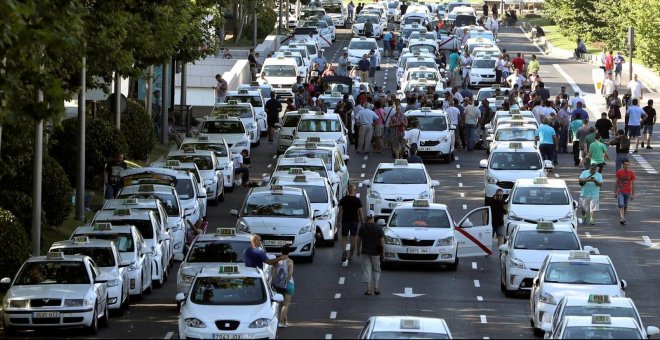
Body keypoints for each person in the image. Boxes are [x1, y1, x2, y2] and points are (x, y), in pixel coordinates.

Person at [357, 211, 384, 296]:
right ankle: (376, 288)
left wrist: (358, 250)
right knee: (376, 270)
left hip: (366, 252)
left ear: (367, 218)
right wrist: (383, 253)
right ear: (374, 218)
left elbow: (358, 240)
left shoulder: (362, 228)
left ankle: (368, 289)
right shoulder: (379, 228)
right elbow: (382, 242)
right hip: (376, 253)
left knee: (367, 270)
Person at [338, 184, 364, 263]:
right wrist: (362, 223)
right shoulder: (357, 200)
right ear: (355, 191)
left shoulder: (343, 199)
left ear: (348, 190)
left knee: (344, 238)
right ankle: (350, 256)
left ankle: (343, 252)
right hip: (354, 221)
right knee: (353, 239)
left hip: (345, 221)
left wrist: (338, 221)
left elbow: (340, 211)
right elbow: (360, 212)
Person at [271, 245, 294, 328]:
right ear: (289, 252)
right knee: (286, 304)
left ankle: (285, 321)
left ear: (281, 251)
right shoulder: (290, 261)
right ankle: (281, 322)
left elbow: (273, 274)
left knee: (281, 304)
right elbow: (290, 273)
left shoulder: (277, 261)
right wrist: (286, 282)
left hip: (278, 285)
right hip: (288, 284)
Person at [615, 160, 636, 225]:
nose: (626, 166)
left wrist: (633, 194)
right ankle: (622, 218)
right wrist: (615, 192)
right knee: (621, 205)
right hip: (620, 191)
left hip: (628, 192)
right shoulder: (619, 172)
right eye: (625, 164)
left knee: (626, 206)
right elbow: (616, 182)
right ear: (623, 165)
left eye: (628, 165)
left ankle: (623, 217)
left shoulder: (631, 173)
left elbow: (633, 184)